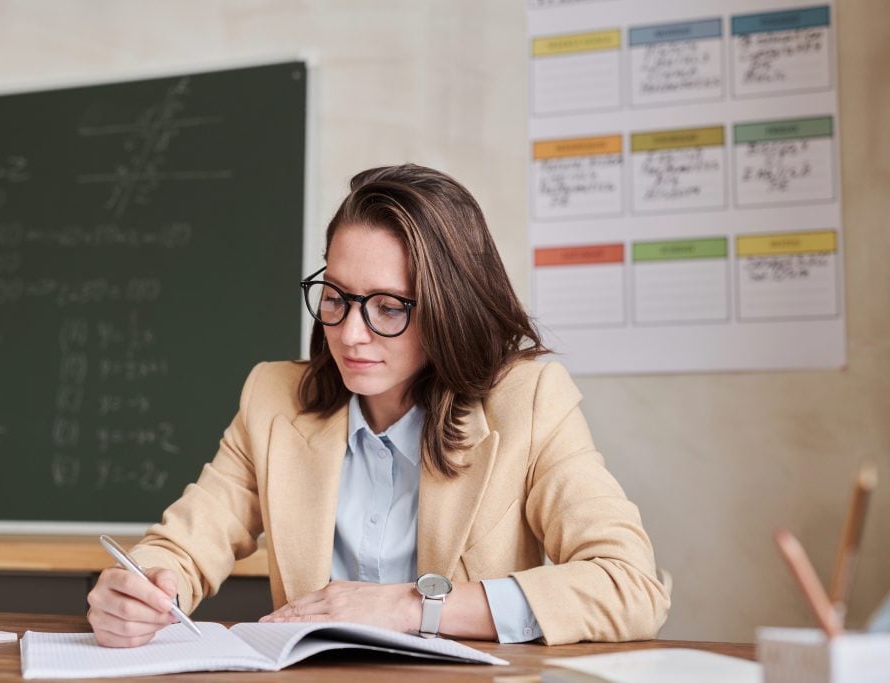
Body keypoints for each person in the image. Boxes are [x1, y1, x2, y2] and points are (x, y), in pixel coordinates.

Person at [86, 163, 670, 647]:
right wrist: (145, 585)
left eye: (389, 307)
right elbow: (186, 542)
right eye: (336, 297)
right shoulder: (272, 397)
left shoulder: (529, 401)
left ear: (450, 308)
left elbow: (629, 587)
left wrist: (413, 607)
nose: (350, 334)